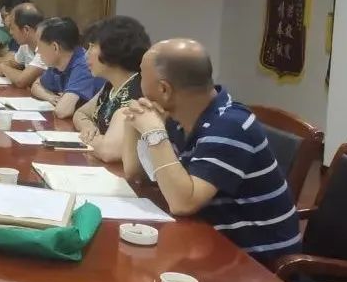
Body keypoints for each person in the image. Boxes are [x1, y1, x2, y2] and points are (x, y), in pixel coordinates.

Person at [120, 39, 300, 264]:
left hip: (255, 263)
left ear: (164, 89)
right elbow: (136, 173)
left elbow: (183, 203)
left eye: (141, 74)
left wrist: (154, 133)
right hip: (206, 240)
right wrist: (133, 124)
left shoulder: (230, 126)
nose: (138, 82)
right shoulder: (178, 118)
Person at [72, 16, 150, 162]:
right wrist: (88, 128)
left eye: (92, 46)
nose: (86, 55)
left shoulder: (139, 89)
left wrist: (88, 139)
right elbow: (80, 113)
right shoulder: (110, 85)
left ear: (113, 49)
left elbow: (109, 152)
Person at [30, 17, 104, 119]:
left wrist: (63, 100)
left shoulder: (84, 65)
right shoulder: (57, 64)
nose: (37, 51)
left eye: (40, 45)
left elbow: (62, 111)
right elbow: (36, 85)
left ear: (55, 47)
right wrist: (51, 97)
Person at [0, 3, 47, 88]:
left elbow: (21, 81)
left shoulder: (46, 47)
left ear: (26, 30)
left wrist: (2, 68)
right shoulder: (25, 45)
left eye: (12, 28)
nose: (10, 32)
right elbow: (12, 63)